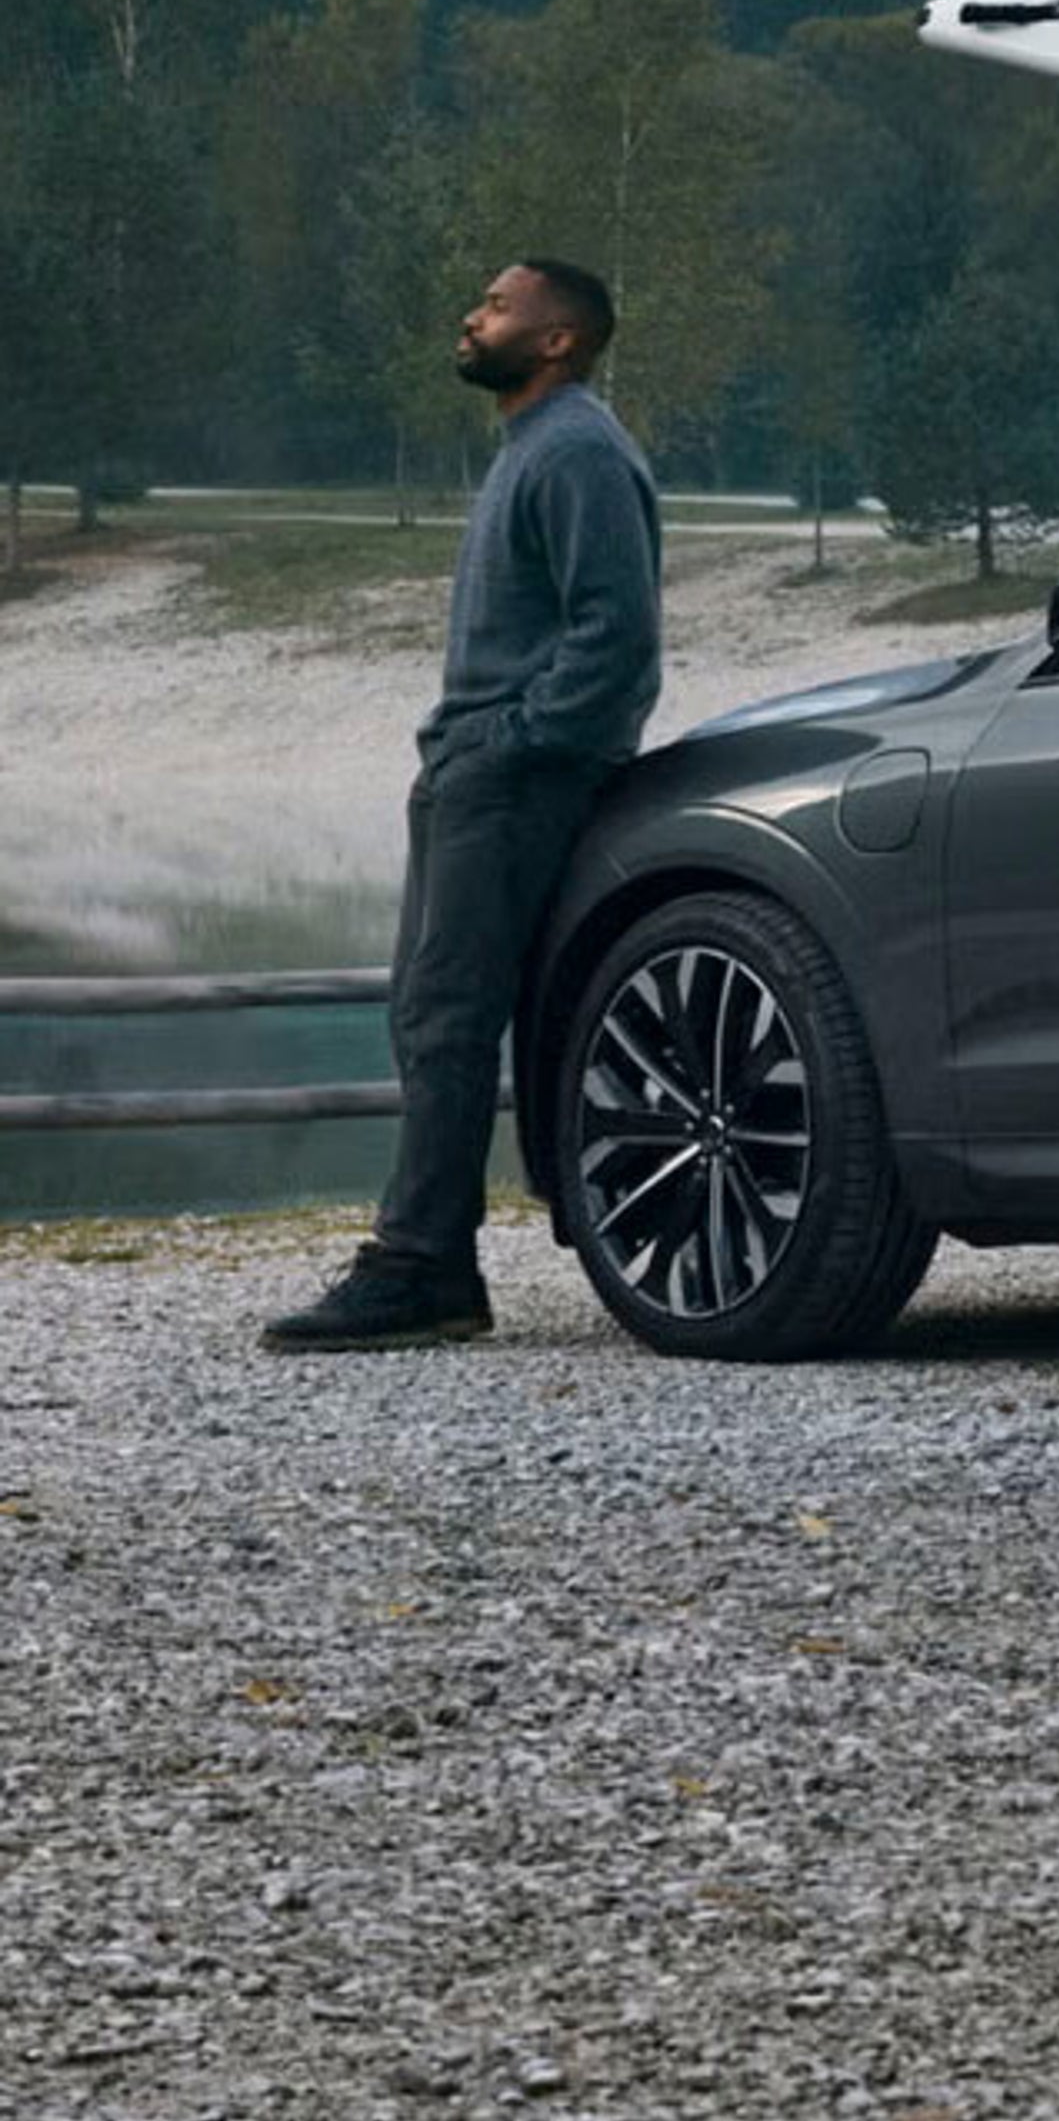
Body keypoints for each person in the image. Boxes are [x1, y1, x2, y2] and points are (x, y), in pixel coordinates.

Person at [264, 259, 663, 1351]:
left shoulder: (578, 451)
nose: (471, 317)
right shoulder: (533, 446)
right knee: (427, 1012)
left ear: (557, 341)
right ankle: (431, 1259)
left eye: (496, 306)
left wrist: (508, 741)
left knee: (449, 1015)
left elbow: (617, 639)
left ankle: (423, 1266)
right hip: (476, 769)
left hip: (516, 776)